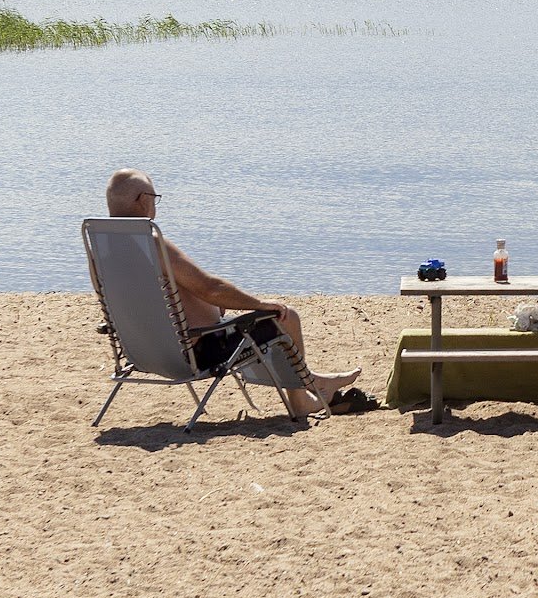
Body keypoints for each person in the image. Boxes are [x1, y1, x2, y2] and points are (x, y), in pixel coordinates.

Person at [104, 168, 360, 418]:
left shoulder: (102, 246)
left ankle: (314, 380)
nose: (155, 205)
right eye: (155, 198)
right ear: (143, 200)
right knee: (286, 316)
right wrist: (259, 304)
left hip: (142, 352)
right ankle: (302, 400)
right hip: (194, 354)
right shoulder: (151, 242)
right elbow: (210, 288)